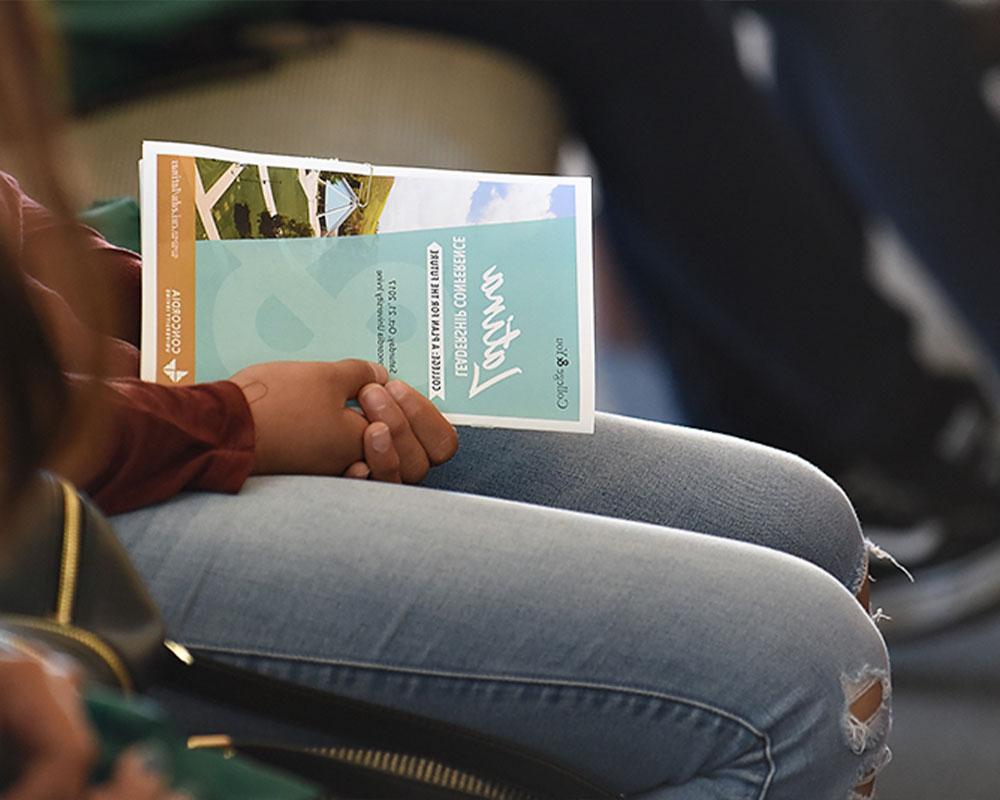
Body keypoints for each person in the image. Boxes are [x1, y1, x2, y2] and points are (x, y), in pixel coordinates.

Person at [0, 3, 890, 797]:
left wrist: (177, 300)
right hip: (52, 513)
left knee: (800, 519)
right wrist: (233, 419)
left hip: (81, 387)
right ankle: (910, 428)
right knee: (808, 678)